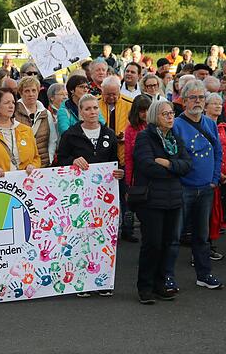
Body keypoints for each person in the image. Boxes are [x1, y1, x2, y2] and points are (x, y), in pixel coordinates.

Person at [56, 93, 124, 296]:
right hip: (79, 195)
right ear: (80, 113)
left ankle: (103, 282)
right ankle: (82, 281)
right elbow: (60, 160)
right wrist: (72, 160)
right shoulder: (71, 134)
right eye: (87, 109)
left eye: (95, 108)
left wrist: (119, 172)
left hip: (104, 197)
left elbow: (115, 162)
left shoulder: (109, 134)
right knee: (80, 236)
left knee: (103, 237)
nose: (92, 112)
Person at [132, 99, 191, 304]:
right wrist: (174, 169)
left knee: (167, 244)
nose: (170, 117)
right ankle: (145, 287)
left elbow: (187, 165)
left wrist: (167, 164)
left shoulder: (174, 137)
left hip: (173, 199)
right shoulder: (144, 137)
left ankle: (160, 284)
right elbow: (147, 166)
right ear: (155, 116)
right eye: (165, 114)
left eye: (172, 113)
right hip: (151, 200)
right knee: (152, 244)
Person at [172, 80, 224, 290]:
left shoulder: (210, 123)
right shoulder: (175, 124)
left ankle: (204, 274)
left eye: (201, 97)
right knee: (174, 236)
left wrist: (214, 178)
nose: (197, 101)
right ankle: (167, 276)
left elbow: (218, 151)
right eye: (192, 97)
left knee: (202, 237)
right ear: (183, 101)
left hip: (206, 189)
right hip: (183, 188)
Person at [98, 76, 136, 241]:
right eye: (108, 94)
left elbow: (135, 126)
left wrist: (124, 136)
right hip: (102, 159)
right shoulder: (96, 103)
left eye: (115, 94)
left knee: (126, 196)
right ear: (102, 91)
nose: (112, 97)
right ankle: (104, 231)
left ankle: (128, 230)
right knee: (103, 198)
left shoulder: (129, 103)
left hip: (123, 156)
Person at [204, 93, 226, 259]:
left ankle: (209, 246)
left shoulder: (224, 127)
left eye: (219, 103)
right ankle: (202, 250)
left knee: (217, 215)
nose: (218, 106)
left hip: (224, 179)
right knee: (206, 215)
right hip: (208, 179)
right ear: (205, 106)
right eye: (213, 103)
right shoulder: (201, 126)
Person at [15, 76, 57, 167]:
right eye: (27, 91)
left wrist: (50, 158)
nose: (31, 94)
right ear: (21, 93)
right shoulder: (14, 113)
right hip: (21, 166)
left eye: (34, 90)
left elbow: (52, 139)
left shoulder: (46, 114)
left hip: (43, 164)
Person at [124, 94, 152, 189]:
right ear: (136, 112)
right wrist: (129, 182)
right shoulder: (130, 129)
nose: (146, 113)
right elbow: (128, 157)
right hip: (139, 173)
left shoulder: (157, 125)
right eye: (142, 111)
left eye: (148, 110)